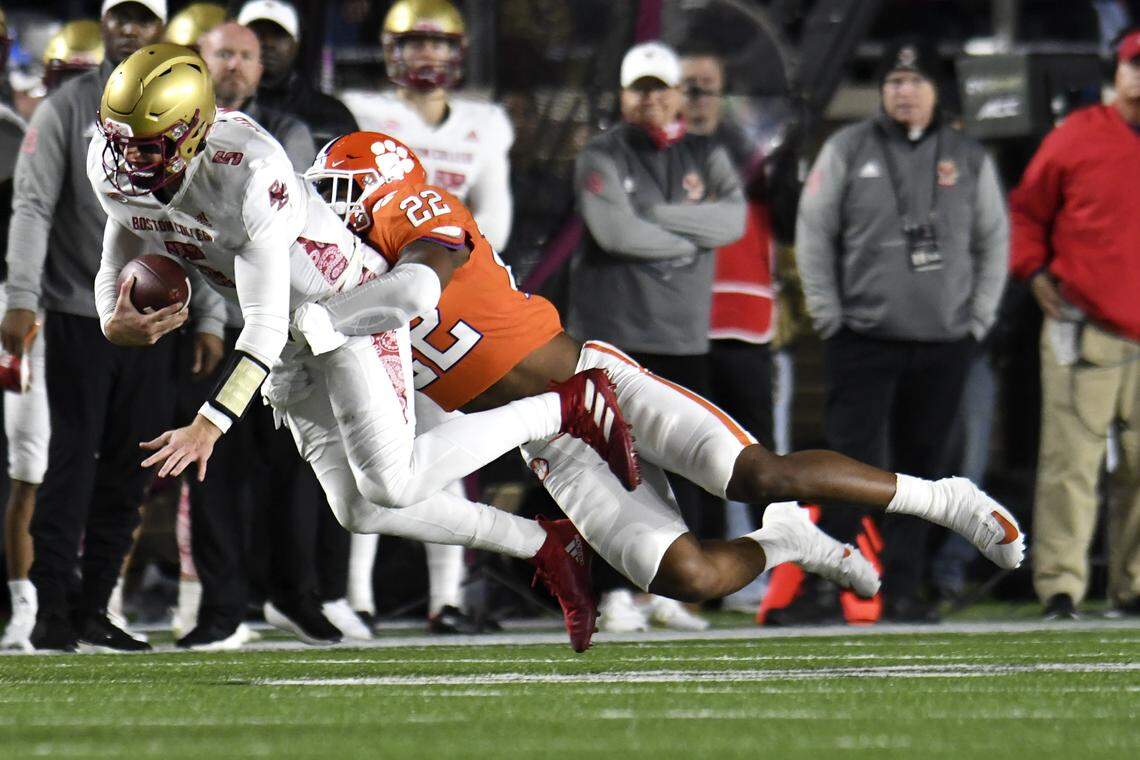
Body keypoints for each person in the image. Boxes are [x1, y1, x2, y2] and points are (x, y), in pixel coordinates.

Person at [300, 128, 1024, 630]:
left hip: (597, 385)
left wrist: (329, 320)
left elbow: (422, 280)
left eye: (339, 190)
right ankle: (787, 545)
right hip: (552, 443)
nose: (327, 211)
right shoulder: (336, 278)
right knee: (690, 577)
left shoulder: (418, 214)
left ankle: (940, 499)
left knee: (758, 475)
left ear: (384, 188)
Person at [88, 44, 638, 653]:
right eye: (123, 141)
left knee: (393, 484)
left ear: (193, 130)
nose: (131, 158)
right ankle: (547, 544)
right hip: (291, 333)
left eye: (149, 143)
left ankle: (560, 408)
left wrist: (208, 425)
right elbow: (115, 256)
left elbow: (266, 326)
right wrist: (114, 324)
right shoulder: (111, 163)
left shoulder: (249, 169)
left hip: (346, 306)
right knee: (360, 510)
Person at [2, 0, 228, 653]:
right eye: (120, 16)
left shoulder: (187, 103)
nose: (129, 29)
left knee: (132, 472)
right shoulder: (69, 104)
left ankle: (94, 605)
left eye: (142, 18)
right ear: (105, 22)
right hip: (78, 311)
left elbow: (206, 219)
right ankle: (51, 609)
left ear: (160, 28)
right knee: (68, 462)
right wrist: (21, 294)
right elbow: (33, 203)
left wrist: (209, 314)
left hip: (161, 322)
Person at [795, 39, 1009, 622]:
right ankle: (822, 588)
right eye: (893, 82)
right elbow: (813, 235)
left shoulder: (968, 155)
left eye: (915, 82)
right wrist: (829, 317)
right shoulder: (847, 147)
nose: (904, 92)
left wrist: (977, 321)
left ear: (937, 91)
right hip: (862, 337)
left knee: (927, 470)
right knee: (845, 465)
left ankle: (904, 590)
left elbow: (994, 243)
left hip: (943, 342)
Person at [340, 0, 516, 633]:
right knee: (372, 451)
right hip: (372, 293)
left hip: (448, 307)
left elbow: (493, 222)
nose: (426, 56)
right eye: (413, 43)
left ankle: (448, 600)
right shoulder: (365, 116)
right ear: (389, 51)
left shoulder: (485, 123)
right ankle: (355, 600)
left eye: (439, 45)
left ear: (460, 54)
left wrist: (439, 260)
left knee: (439, 451)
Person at [173, 20, 349, 650]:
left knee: (298, 465)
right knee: (215, 466)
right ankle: (222, 607)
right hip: (222, 321)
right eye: (225, 53)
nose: (239, 66)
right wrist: (211, 323)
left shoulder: (282, 136)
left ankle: (294, 595)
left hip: (293, 320)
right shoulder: (168, 140)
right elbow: (194, 242)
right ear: (200, 59)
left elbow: (278, 239)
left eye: (248, 55)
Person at [566, 40, 746, 631]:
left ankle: (670, 592)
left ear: (677, 94)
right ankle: (614, 591)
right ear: (625, 94)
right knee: (611, 470)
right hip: (615, 336)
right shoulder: (601, 153)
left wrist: (657, 216)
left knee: (684, 468)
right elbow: (615, 232)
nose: (651, 98)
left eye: (660, 87)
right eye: (640, 88)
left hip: (682, 336)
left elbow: (734, 221)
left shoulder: (708, 153)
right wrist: (692, 237)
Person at [1009, 28, 1140, 621]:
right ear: (1117, 71)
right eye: (1135, 65)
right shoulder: (1077, 136)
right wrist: (1033, 268)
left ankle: (1134, 585)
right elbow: (1026, 213)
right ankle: (1061, 586)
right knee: (1070, 465)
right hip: (1084, 325)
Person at [681, 48, 776, 618]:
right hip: (681, 324)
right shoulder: (658, 156)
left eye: (705, 88)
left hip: (746, 321)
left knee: (760, 462)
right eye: (686, 88)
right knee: (692, 458)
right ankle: (705, 581)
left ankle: (778, 573)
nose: (695, 100)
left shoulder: (755, 156)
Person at [237, 0, 358, 148]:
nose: (268, 42)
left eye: (278, 34)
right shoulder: (214, 108)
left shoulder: (332, 116)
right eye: (257, 33)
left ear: (296, 44)